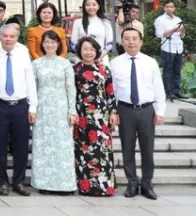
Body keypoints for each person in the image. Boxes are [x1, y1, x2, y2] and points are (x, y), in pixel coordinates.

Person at [112, 28, 166, 200]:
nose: (131, 42)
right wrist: (113, 110)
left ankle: (147, 184)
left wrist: (160, 112)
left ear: (141, 41)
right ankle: (132, 183)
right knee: (127, 149)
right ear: (122, 42)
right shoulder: (115, 63)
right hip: (125, 110)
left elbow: (159, 88)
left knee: (147, 150)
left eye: (135, 38)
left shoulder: (150, 62)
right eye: (127, 39)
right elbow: (111, 90)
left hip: (147, 110)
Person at [0, 25, 36, 197]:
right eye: (5, 36)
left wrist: (33, 107)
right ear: (0, 38)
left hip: (20, 106)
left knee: (21, 147)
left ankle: (19, 182)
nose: (8, 39)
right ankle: (2, 182)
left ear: (17, 38)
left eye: (12, 36)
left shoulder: (23, 57)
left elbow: (30, 83)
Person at [32, 30, 77, 194]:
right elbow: (33, 89)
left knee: (62, 147)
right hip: (42, 108)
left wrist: (72, 111)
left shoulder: (65, 64)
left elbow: (71, 88)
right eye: (46, 42)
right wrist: (33, 110)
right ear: (42, 44)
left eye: (53, 42)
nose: (50, 45)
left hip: (60, 108)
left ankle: (64, 184)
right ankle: (44, 184)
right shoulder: (36, 64)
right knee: (43, 147)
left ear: (58, 44)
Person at [73, 37, 117, 197]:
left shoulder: (104, 69)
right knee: (84, 152)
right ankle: (86, 187)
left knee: (102, 152)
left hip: (101, 117)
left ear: (97, 51)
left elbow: (110, 93)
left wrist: (113, 112)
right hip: (82, 117)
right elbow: (71, 94)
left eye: (92, 49)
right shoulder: (75, 70)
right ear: (80, 51)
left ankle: (105, 187)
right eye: (85, 49)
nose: (88, 52)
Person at [154, 0, 184, 100]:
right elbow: (159, 34)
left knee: (177, 70)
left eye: (171, 7)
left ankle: (176, 91)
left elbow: (182, 35)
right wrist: (173, 29)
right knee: (167, 71)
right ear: (164, 8)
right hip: (167, 47)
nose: (169, 8)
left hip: (178, 47)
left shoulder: (178, 19)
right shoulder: (160, 20)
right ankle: (168, 92)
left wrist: (182, 30)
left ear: (174, 8)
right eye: (167, 7)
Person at [70, 0, 114, 64]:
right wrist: (85, 57)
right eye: (88, 5)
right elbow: (73, 44)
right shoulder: (77, 22)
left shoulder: (105, 22)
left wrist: (99, 57)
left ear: (98, 6)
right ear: (84, 7)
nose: (91, 7)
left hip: (101, 60)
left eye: (94, 5)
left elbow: (109, 45)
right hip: (82, 60)